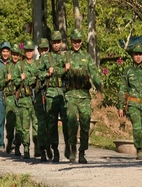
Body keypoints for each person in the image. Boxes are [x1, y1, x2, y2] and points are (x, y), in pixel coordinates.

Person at [64, 29, 102, 164]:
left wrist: (98, 87)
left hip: (84, 96)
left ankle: (82, 152)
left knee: (85, 124)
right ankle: (72, 148)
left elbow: (94, 73)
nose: (76, 43)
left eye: (79, 41)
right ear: (71, 41)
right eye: (74, 41)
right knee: (72, 123)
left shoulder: (86, 57)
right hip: (71, 96)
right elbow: (56, 73)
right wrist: (64, 69)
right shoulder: (66, 56)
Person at [38, 32, 70, 162]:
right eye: (54, 42)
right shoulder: (46, 58)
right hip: (50, 94)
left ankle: (68, 146)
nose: (56, 44)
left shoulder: (65, 57)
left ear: (61, 42)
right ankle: (55, 149)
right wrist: (47, 73)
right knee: (51, 125)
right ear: (51, 43)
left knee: (67, 122)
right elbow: (38, 73)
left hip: (63, 94)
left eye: (58, 42)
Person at [12, 40, 39, 159]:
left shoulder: (38, 65)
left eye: (30, 50)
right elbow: (14, 81)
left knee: (36, 125)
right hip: (24, 100)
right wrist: (21, 79)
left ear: (33, 51)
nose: (29, 52)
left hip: (36, 100)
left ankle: (37, 147)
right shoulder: (19, 65)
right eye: (26, 50)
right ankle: (26, 148)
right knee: (24, 127)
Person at [0, 44, 21, 154]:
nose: (15, 56)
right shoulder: (6, 68)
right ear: (11, 55)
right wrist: (6, 80)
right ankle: (10, 140)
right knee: (11, 122)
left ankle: (17, 145)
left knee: (20, 123)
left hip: (21, 97)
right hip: (10, 97)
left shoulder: (23, 66)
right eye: (14, 54)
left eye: (17, 54)